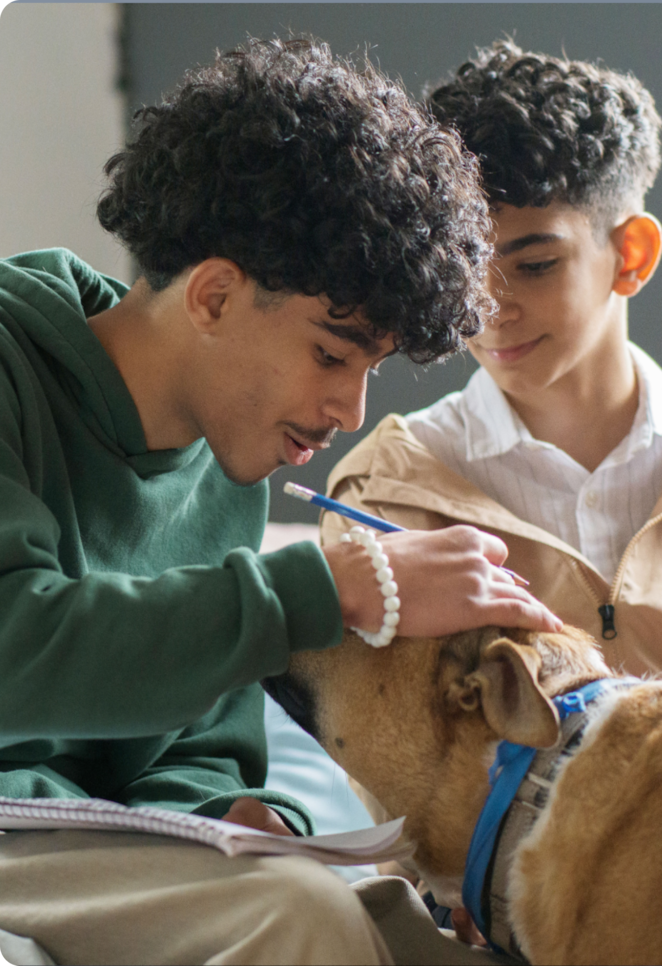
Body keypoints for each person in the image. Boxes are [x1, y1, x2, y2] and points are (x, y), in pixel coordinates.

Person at [0, 36, 561, 966]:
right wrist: (333, 584)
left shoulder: (231, 458)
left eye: (371, 369)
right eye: (333, 355)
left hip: (96, 841)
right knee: (302, 921)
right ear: (214, 297)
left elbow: (194, 747)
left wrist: (241, 812)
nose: (350, 410)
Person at [322, 38, 662, 692]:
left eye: (534, 266)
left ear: (633, 255)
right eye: (465, 271)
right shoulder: (387, 492)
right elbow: (390, 764)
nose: (490, 310)